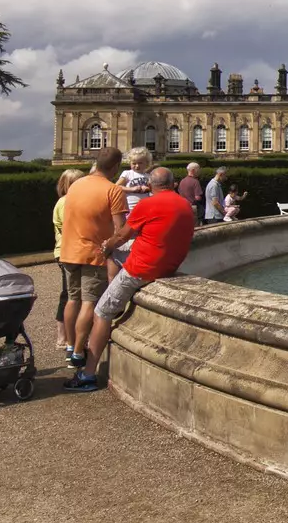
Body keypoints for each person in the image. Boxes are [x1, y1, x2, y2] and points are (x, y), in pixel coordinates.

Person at [64, 166, 196, 393]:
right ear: (173, 183)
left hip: (142, 269)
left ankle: (88, 374)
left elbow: (121, 235)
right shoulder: (184, 204)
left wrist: (105, 247)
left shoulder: (147, 204)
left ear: (151, 186)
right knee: (120, 254)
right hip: (169, 265)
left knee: (101, 312)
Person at [56, 148, 127, 371]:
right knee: (89, 302)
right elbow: (121, 230)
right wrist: (109, 247)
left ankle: (69, 346)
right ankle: (78, 352)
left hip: (68, 251)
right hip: (92, 253)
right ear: (115, 167)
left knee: (72, 299)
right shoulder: (113, 190)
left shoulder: (76, 185)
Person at [50, 167, 84, 350]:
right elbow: (70, 228)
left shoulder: (73, 201)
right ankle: (62, 336)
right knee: (68, 295)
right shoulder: (65, 202)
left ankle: (70, 334)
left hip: (72, 251)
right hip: (66, 252)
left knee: (73, 294)